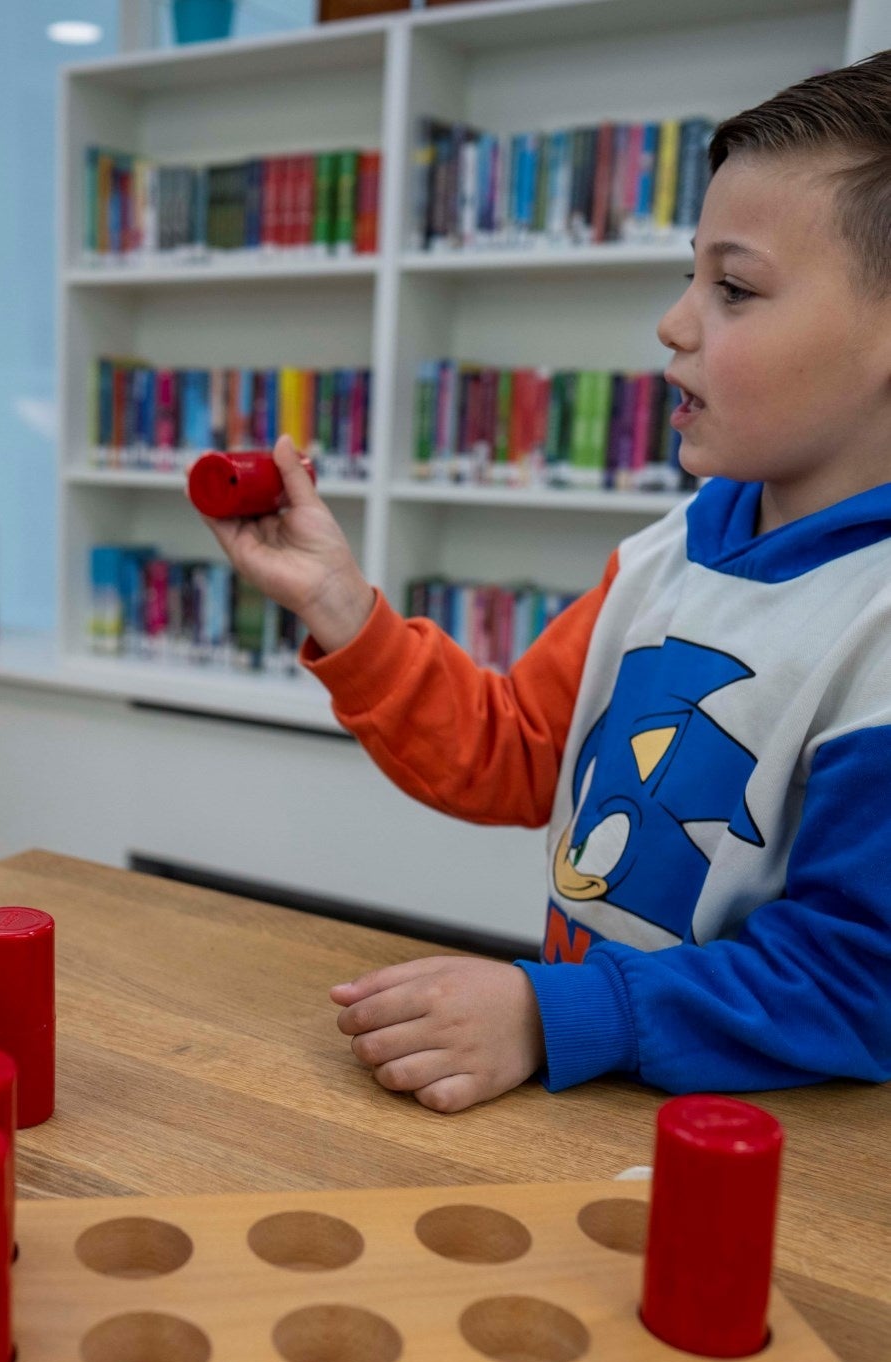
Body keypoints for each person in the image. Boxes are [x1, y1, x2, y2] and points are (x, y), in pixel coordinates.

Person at [204, 54, 891, 1113]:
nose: (674, 323)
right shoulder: (667, 553)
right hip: (604, 1106)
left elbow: (856, 982)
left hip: (781, 1151)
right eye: (687, 275)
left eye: (735, 288)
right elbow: (515, 753)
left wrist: (553, 1013)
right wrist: (339, 604)